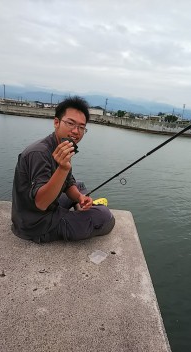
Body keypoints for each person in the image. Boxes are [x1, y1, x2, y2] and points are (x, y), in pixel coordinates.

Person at [11, 96, 115, 243]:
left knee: (79, 186)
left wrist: (80, 198)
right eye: (70, 123)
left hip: (42, 209)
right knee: (105, 217)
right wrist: (63, 168)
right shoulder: (39, 153)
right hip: (36, 224)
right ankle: (77, 215)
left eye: (81, 127)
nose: (76, 131)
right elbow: (41, 203)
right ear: (56, 122)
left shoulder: (61, 143)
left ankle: (79, 207)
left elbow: (67, 182)